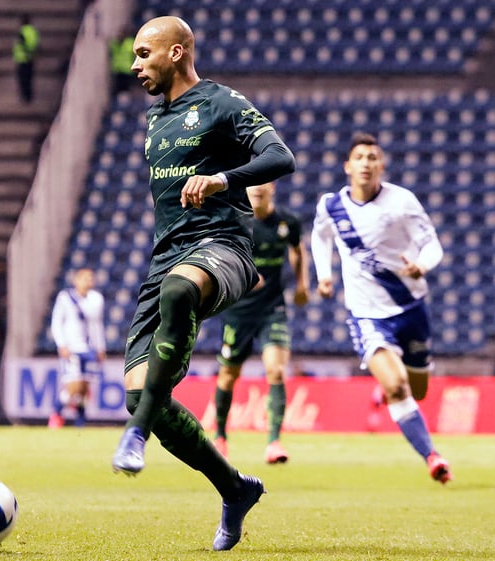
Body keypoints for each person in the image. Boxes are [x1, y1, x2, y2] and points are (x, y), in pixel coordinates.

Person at [109, 16, 296, 552]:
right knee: (140, 395)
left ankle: (135, 436)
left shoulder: (221, 103)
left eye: (144, 54)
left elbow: (281, 157)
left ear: (177, 51)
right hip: (167, 256)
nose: (135, 65)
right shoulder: (154, 120)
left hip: (226, 250)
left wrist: (222, 178)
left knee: (178, 292)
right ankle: (235, 489)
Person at [311, 132, 452, 484]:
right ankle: (432, 456)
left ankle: (385, 390)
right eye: (359, 157)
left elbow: (431, 244)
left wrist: (422, 264)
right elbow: (320, 235)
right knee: (399, 387)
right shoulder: (331, 206)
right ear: (348, 165)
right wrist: (324, 275)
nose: (366, 163)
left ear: (382, 166)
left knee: (417, 390)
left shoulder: (401, 202)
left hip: (410, 307)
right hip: (366, 313)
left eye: (373, 158)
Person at [212, 181, 310, 464]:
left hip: (272, 308)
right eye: (251, 181)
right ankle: (219, 437)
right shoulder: (234, 221)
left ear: (273, 186)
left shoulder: (286, 221)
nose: (256, 187)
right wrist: (244, 277)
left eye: (263, 181)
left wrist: (302, 285)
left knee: (276, 371)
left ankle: (274, 442)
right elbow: (219, 257)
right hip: (238, 311)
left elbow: (298, 249)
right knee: (229, 374)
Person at [47, 268, 106, 428]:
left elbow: (97, 325)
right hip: (72, 348)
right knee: (74, 388)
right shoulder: (65, 298)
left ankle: (80, 423)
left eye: (91, 278)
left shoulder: (97, 299)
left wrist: (101, 347)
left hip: (90, 349)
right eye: (85, 278)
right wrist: (62, 345)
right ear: (76, 281)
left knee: (84, 388)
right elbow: (56, 322)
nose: (89, 281)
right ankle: (56, 413)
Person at [13, 14, 39, 104]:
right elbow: (35, 44)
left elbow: (26, 45)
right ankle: (27, 97)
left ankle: (26, 98)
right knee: (28, 79)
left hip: (24, 59)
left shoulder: (24, 32)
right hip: (28, 59)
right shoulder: (32, 31)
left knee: (24, 79)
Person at [109, 26, 136, 95]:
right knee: (117, 87)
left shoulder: (130, 43)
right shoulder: (114, 44)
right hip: (117, 69)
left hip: (127, 70)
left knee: (125, 88)